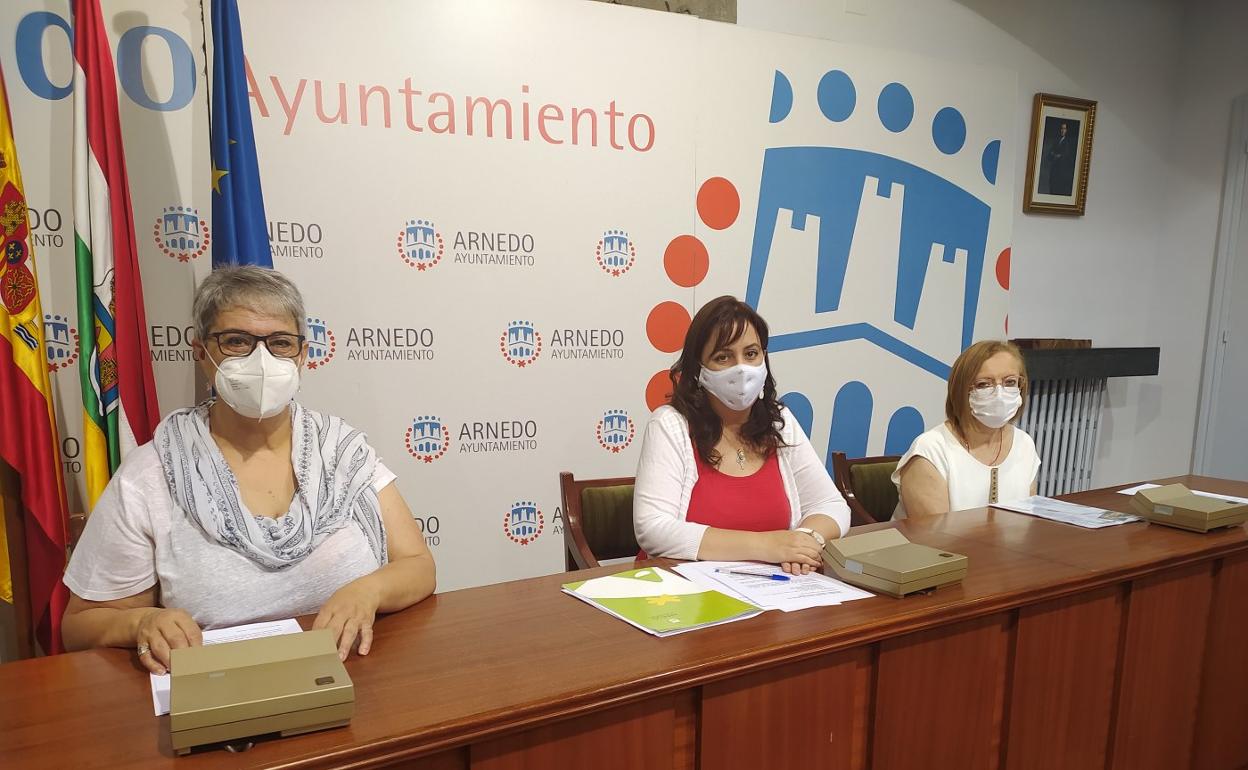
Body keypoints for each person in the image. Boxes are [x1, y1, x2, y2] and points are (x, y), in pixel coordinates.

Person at [62, 267, 435, 673]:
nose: (262, 360)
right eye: (236, 341)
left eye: (280, 343)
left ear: (303, 355)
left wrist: (369, 590)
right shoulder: (152, 473)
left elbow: (418, 566)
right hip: (223, 696)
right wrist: (142, 621)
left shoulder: (343, 452)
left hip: (356, 676)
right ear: (202, 353)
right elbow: (80, 625)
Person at [633, 295, 850, 574]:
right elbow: (653, 529)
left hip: (774, 591)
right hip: (684, 595)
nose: (742, 368)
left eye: (751, 354)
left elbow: (831, 505)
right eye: (723, 357)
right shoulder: (670, 424)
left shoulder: (778, 420)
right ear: (698, 370)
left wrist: (805, 542)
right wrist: (767, 546)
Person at [892, 340, 1039, 519]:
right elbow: (933, 537)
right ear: (961, 390)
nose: (999, 394)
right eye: (984, 384)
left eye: (1010, 382)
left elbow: (1028, 521)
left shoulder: (1024, 444)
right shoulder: (930, 450)